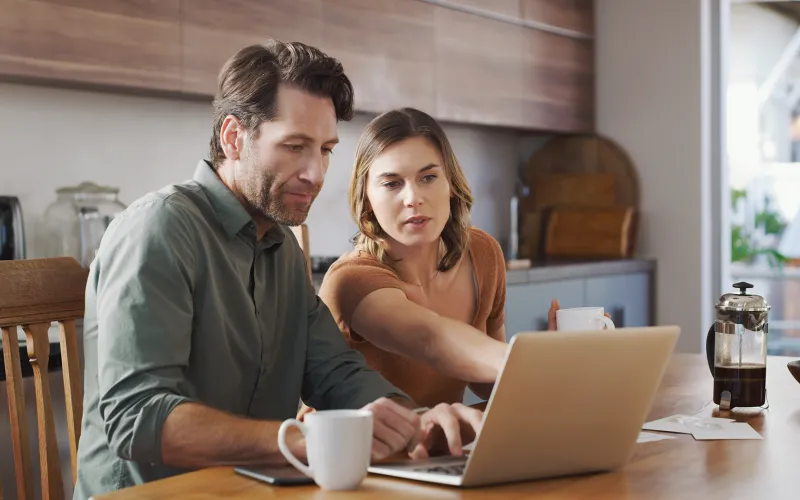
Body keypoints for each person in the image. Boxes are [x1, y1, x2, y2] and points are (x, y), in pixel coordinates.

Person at [73, 42, 481, 499]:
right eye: (294, 146)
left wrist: (415, 421)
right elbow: (138, 417)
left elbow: (335, 373)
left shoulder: (281, 247)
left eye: (326, 150)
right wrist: (308, 440)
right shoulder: (160, 228)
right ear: (233, 137)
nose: (315, 172)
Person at [317, 108, 564, 409]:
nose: (413, 198)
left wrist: (553, 353)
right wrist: (535, 364)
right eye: (392, 183)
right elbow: (431, 340)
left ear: (451, 184)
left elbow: (486, 380)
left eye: (429, 177)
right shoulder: (351, 279)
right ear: (366, 197)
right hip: (355, 452)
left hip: (438, 449)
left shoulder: (483, 253)